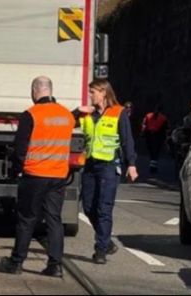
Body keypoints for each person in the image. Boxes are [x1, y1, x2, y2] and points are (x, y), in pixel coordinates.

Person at [1, 77, 74, 277]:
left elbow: (20, 149)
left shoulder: (31, 115)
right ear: (50, 91)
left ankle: (16, 263)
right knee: (54, 219)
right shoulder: (66, 115)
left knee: (27, 219)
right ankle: (55, 265)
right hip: (58, 176)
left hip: (35, 175)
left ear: (34, 91)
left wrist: (16, 170)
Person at [77, 79, 138, 265]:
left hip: (109, 166)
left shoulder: (118, 112)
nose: (90, 95)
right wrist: (78, 112)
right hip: (90, 166)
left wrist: (132, 164)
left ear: (104, 92)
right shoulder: (89, 114)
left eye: (93, 92)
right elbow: (67, 123)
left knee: (104, 209)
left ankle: (101, 249)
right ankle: (107, 241)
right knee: (88, 207)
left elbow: (127, 139)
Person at [141, 105, 169, 175]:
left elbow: (144, 125)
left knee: (152, 151)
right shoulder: (163, 118)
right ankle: (153, 165)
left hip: (150, 135)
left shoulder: (148, 115)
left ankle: (153, 165)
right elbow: (166, 128)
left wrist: (142, 133)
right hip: (158, 135)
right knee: (156, 151)